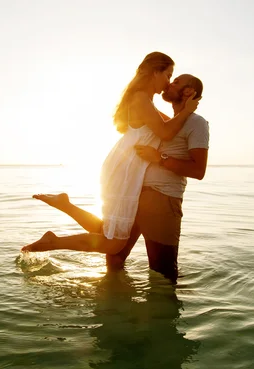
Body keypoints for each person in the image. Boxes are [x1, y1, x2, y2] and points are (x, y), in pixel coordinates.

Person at [21, 51, 200, 256]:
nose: (168, 83)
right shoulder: (141, 98)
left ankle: (65, 205)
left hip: (126, 168)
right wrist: (187, 111)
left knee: (110, 231)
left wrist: (186, 113)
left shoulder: (145, 101)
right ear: (154, 73)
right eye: (168, 75)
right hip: (124, 170)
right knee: (114, 244)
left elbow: (168, 124)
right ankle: (53, 242)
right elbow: (166, 132)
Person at [108, 73, 209, 283]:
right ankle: (116, 310)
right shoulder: (165, 123)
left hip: (163, 200)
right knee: (115, 258)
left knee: (163, 271)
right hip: (135, 196)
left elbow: (198, 170)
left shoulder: (197, 123)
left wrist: (160, 158)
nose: (170, 84)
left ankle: (161, 314)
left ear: (189, 92)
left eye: (177, 81)